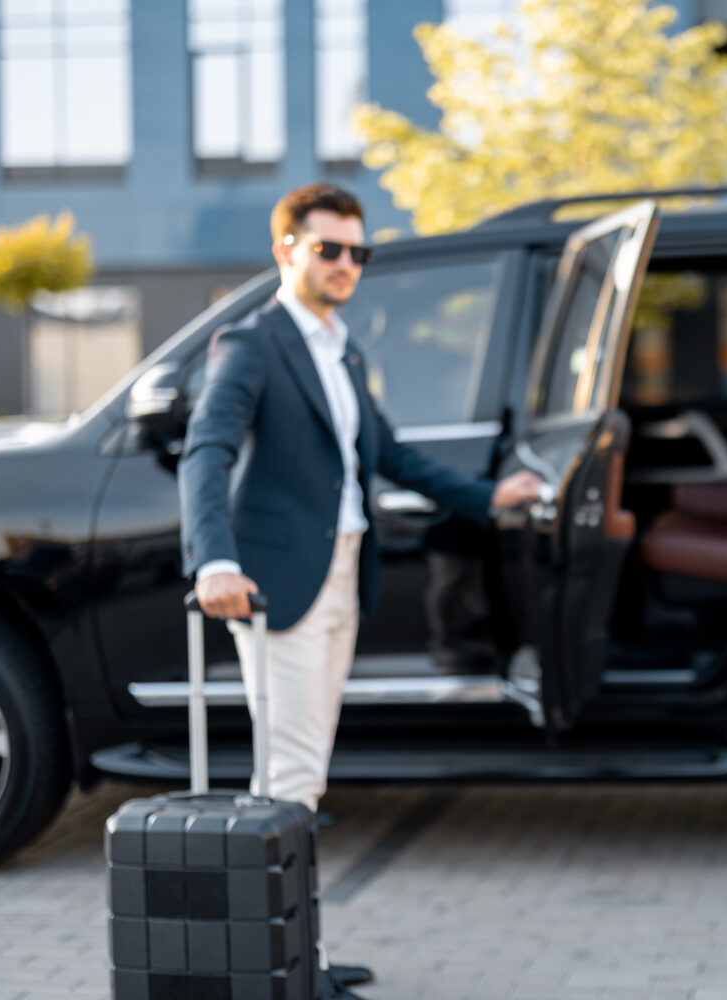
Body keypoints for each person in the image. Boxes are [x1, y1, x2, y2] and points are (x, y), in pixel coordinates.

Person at [178, 182, 543, 999]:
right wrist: (213, 561)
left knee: (302, 773)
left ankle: (293, 952)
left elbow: (391, 455)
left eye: (358, 252)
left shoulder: (343, 350)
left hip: (344, 574)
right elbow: (207, 449)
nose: (347, 264)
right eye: (330, 249)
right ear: (287, 250)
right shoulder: (253, 342)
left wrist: (489, 497)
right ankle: (283, 967)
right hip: (280, 586)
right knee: (288, 774)